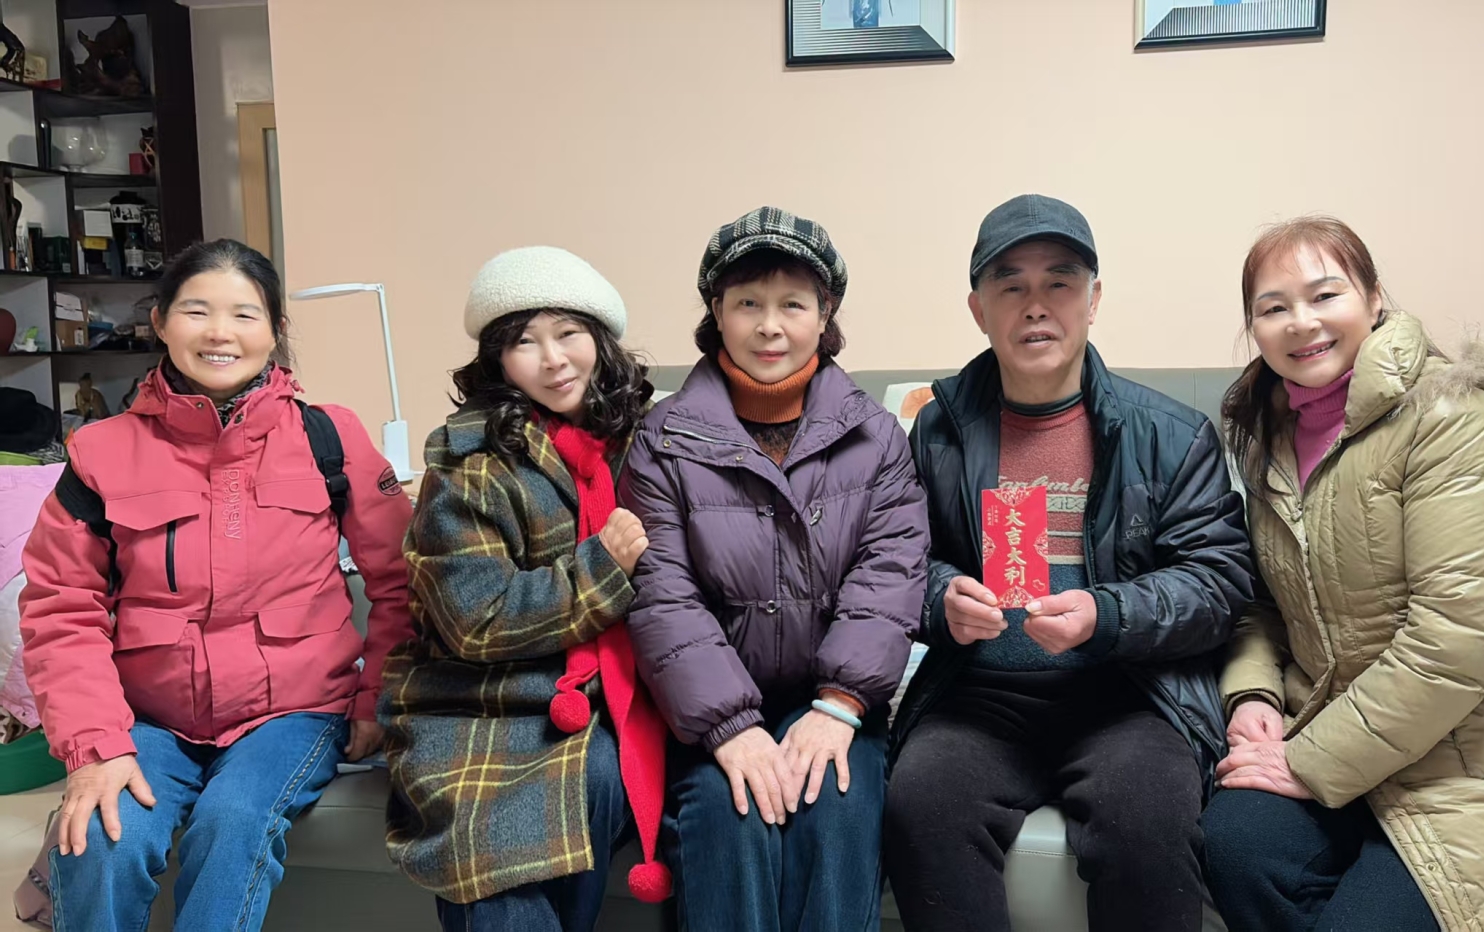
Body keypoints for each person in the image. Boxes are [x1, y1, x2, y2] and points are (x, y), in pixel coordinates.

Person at [1201, 216, 1484, 932]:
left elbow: (1459, 639)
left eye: (1325, 295)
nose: (1301, 322)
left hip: (1474, 757)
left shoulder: (1450, 415)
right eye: (1274, 307)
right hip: (1334, 729)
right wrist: (1251, 695)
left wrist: (1308, 763)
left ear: (1374, 299)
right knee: (1235, 840)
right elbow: (1264, 602)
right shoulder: (1268, 436)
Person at [883, 194, 1255, 932]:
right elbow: (897, 561)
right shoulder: (938, 429)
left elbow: (1218, 584)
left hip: (1126, 692)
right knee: (920, 804)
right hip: (980, 694)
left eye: (1059, 282)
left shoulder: (1172, 433)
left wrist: (1107, 615)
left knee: (1145, 821)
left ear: (1094, 300)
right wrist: (942, 598)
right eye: (1010, 285)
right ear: (978, 309)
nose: (1036, 305)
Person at [19, 238, 413, 931]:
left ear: (275, 331)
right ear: (161, 321)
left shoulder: (331, 437)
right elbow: (61, 608)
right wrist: (97, 746)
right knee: (102, 838)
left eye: (244, 314)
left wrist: (376, 698)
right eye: (197, 311)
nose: (220, 333)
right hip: (148, 718)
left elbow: (402, 581)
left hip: (294, 711)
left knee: (233, 823)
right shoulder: (101, 453)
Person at [621, 206, 927, 932]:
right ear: (716, 313)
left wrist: (839, 706)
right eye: (747, 304)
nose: (769, 327)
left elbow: (890, 572)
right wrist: (729, 727)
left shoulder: (876, 435)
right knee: (729, 820)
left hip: (836, 702)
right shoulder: (662, 440)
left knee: (839, 810)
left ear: (825, 315)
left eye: (792, 304)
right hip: (710, 713)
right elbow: (662, 594)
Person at [380, 246, 668, 932]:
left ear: (600, 338)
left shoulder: (648, 440)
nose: (553, 359)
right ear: (497, 360)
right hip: (476, 702)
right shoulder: (469, 462)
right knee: (493, 835)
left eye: (568, 333)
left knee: (597, 774)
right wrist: (603, 568)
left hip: (602, 695)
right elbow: (477, 619)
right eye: (524, 342)